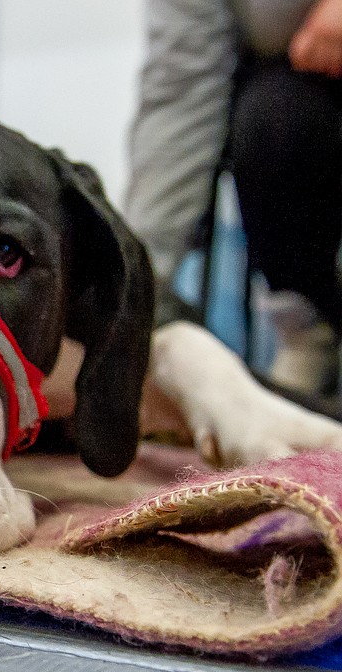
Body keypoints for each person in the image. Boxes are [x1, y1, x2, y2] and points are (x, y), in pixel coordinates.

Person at [124, 0, 342, 395]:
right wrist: (139, 276)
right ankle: (309, 331)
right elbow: (180, 92)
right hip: (304, 89)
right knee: (275, 121)